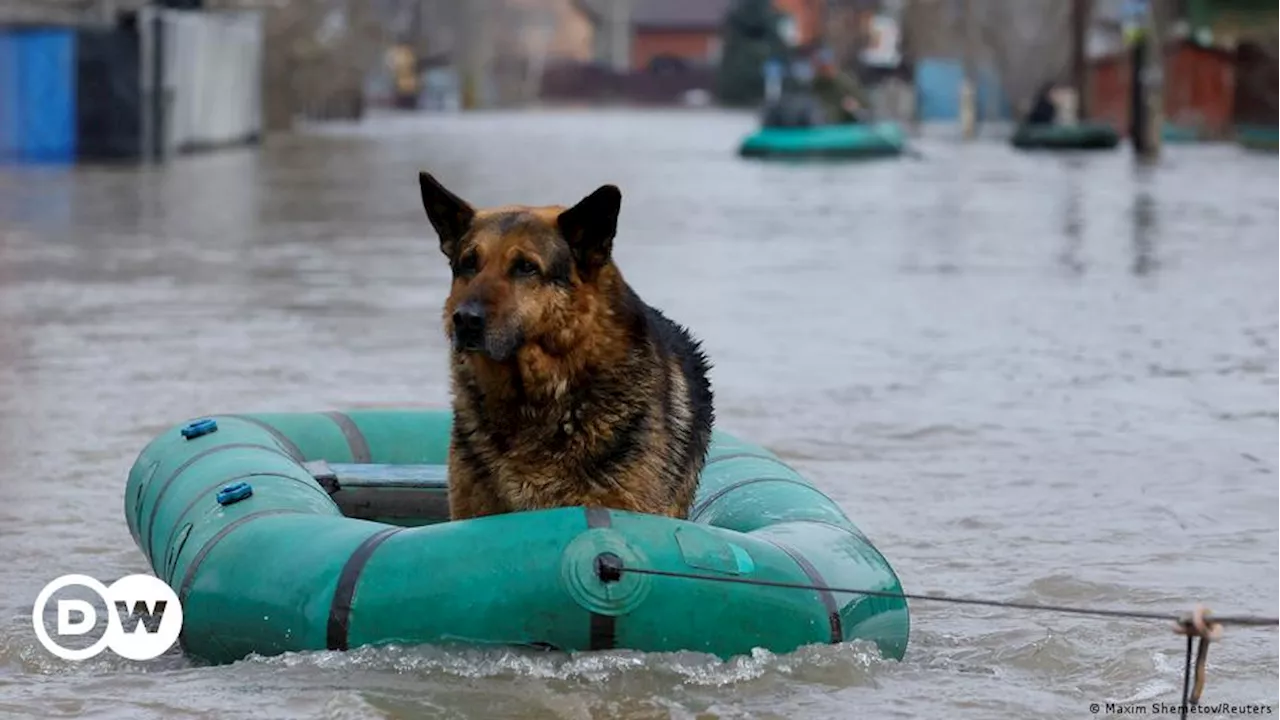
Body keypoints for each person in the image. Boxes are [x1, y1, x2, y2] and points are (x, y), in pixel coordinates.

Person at [810, 50, 870, 124]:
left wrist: (855, 105)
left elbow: (864, 103)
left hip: (844, 121)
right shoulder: (816, 83)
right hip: (824, 121)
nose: (825, 70)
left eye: (827, 67)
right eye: (822, 68)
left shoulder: (845, 81)